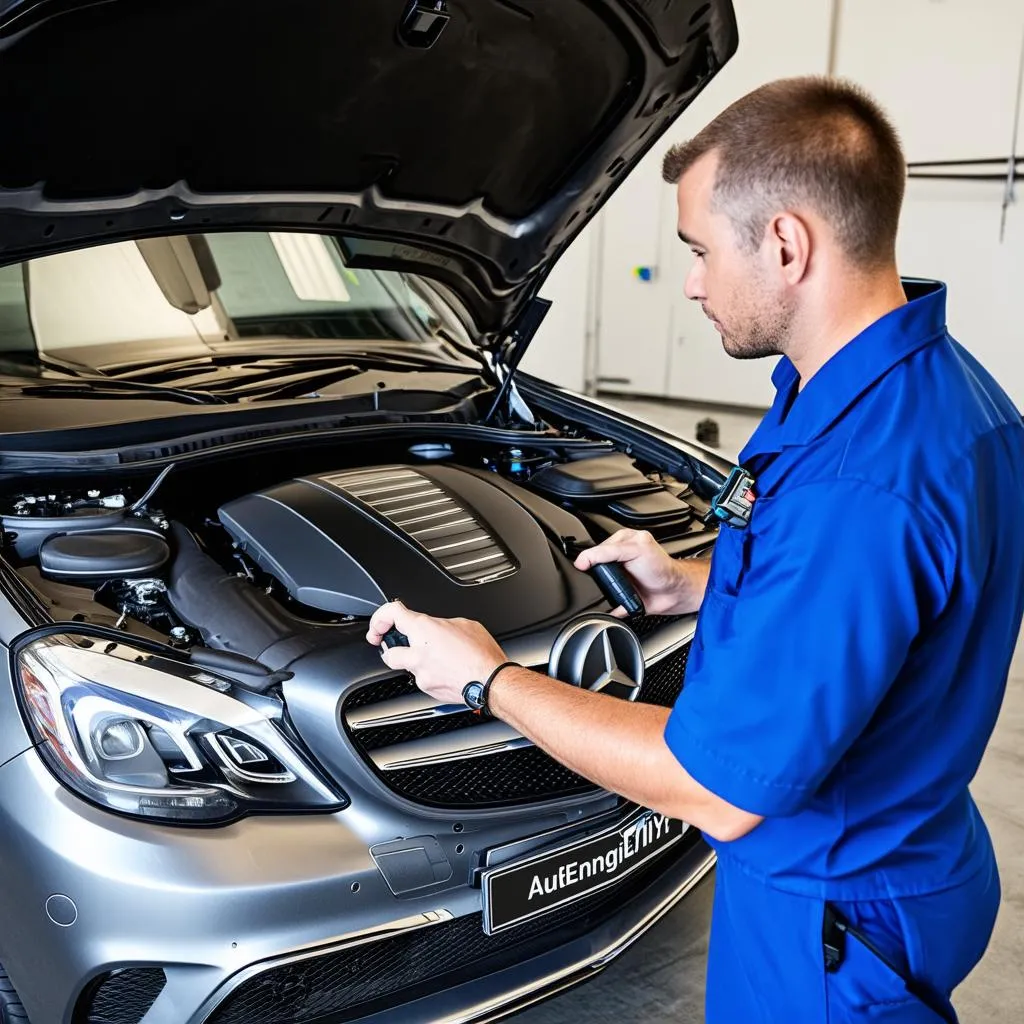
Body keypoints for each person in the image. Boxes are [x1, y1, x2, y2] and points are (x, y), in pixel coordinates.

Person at [366, 77, 1024, 1023]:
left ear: (788, 244)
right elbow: (869, 603)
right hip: (911, 850)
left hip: (830, 923)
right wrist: (694, 586)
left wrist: (486, 679)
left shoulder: (860, 481)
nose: (691, 280)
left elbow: (712, 788)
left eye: (700, 249)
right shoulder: (929, 395)